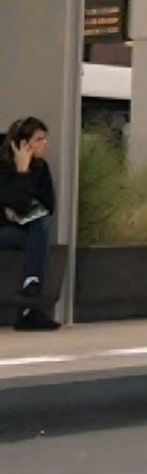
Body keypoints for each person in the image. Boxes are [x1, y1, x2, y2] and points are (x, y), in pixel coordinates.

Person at [0, 116, 60, 331]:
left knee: (38, 225)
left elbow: (48, 205)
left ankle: (31, 294)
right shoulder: (2, 166)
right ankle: (30, 307)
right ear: (23, 144)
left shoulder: (41, 167)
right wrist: (22, 172)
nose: (45, 143)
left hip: (21, 231)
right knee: (39, 227)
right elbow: (17, 203)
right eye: (39, 139)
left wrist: (18, 209)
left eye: (45, 139)